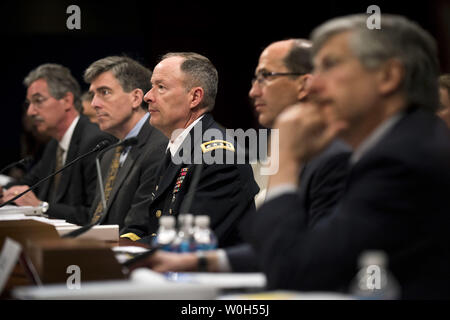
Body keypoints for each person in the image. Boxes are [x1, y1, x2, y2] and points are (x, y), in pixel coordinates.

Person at [243, 14, 450, 299]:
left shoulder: (403, 159)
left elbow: (293, 272)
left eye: (330, 66)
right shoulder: (406, 142)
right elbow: (322, 252)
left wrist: (285, 159)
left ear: (388, 76)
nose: (313, 86)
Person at [128, 40, 351, 273]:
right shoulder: (300, 152)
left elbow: (309, 256)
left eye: (267, 76)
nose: (253, 91)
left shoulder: (332, 158)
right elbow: (271, 245)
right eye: (255, 79)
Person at [120, 52, 259, 248]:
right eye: (152, 86)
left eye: (161, 87)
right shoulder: (177, 147)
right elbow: (151, 226)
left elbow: (190, 241)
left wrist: (116, 250)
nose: (147, 96)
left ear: (194, 97)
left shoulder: (217, 156)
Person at [2, 63, 114, 224]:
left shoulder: (94, 142)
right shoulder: (55, 145)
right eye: (29, 104)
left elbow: (95, 214)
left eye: (38, 101)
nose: (31, 112)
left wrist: (42, 206)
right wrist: (3, 192)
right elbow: (26, 184)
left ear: (67, 100)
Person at [81, 56, 168, 229]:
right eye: (93, 95)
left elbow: (139, 226)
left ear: (136, 98)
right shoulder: (107, 155)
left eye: (104, 92)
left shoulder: (160, 146)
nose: (94, 104)